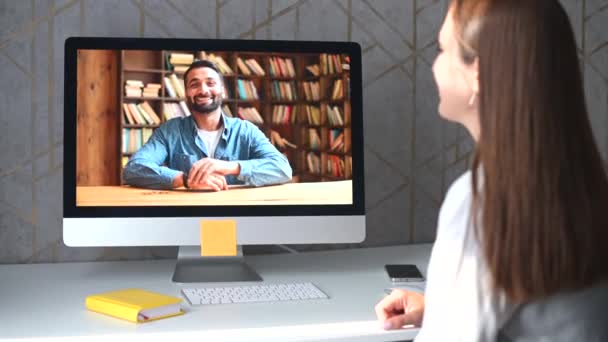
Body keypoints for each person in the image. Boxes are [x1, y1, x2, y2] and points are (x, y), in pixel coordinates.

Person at [375, 0, 608, 340]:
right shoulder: (589, 183)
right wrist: (441, 307)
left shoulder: (482, 202)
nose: (435, 66)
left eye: (443, 50)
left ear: (478, 73)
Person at [123, 60, 292, 190]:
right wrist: (187, 179)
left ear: (222, 91)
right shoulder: (170, 131)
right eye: (194, 84)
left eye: (210, 83)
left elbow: (282, 169)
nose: (203, 90)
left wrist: (230, 167)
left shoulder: (245, 130)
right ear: (186, 94)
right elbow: (134, 169)